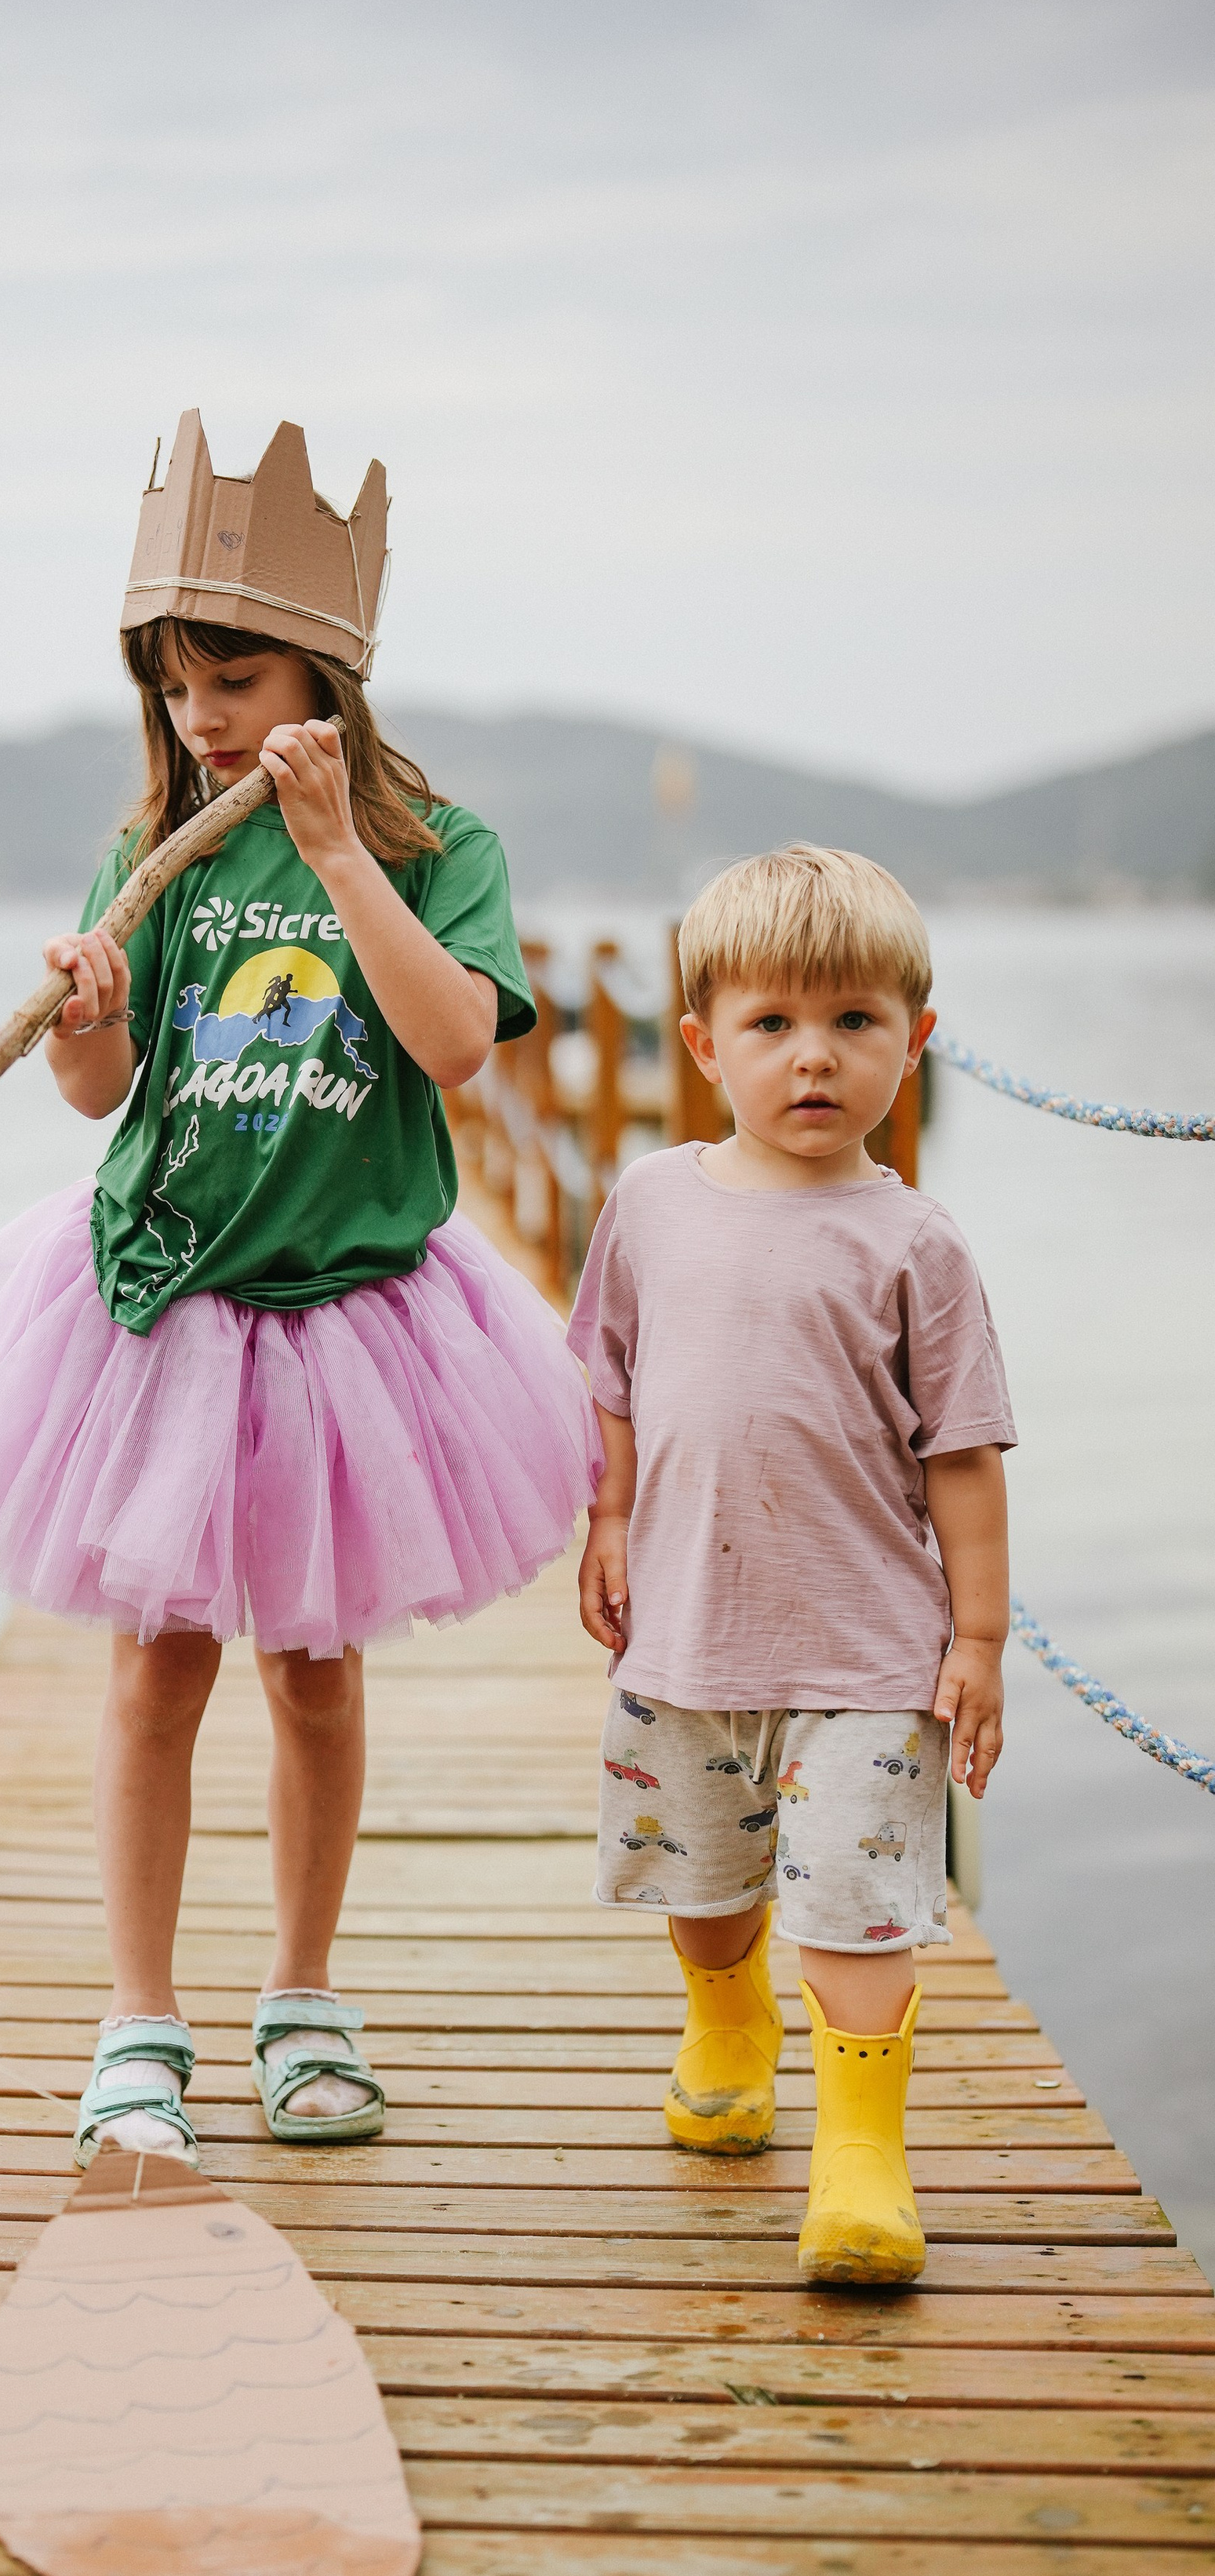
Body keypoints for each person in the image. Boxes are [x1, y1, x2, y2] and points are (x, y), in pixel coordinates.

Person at [0, 412, 601, 2169]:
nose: (202, 718)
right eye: (173, 686)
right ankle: (140, 2020)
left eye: (233, 675)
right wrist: (85, 1009)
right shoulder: (154, 842)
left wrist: (340, 854)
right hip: (166, 1302)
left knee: (310, 1670)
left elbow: (451, 1046)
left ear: (329, 672)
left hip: (346, 1308)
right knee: (153, 1670)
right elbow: (99, 1090)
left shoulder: (441, 846)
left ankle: (302, 1999)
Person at [567, 845, 1014, 2285]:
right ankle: (726, 2024)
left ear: (915, 1042)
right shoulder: (649, 1202)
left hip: (870, 1650)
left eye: (854, 1024)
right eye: (772, 1026)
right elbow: (617, 1385)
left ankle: (862, 2157)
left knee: (859, 1900)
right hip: (688, 1633)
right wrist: (610, 1520)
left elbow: (962, 1454)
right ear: (702, 1044)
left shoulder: (916, 1243)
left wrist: (981, 1641)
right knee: (706, 1888)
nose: (812, 1058)